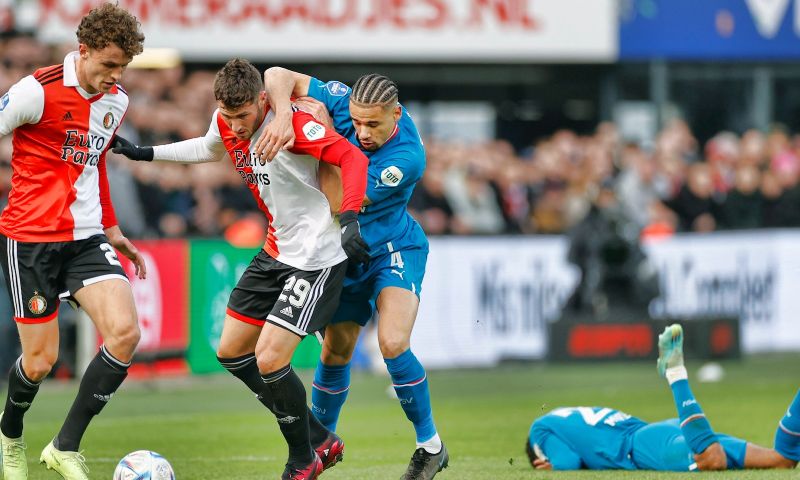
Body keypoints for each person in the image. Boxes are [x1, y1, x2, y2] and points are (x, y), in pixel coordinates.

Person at [111, 58, 369, 480]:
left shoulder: (294, 126)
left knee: (269, 359)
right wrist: (145, 153)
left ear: (263, 102)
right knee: (231, 351)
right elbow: (205, 147)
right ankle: (319, 436)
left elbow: (352, 159)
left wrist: (352, 217)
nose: (234, 126)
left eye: (243, 115)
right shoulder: (226, 122)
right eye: (228, 116)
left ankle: (303, 457)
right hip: (276, 250)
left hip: (317, 257)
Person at [254, 68, 448, 480]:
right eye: (356, 121)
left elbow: (339, 195)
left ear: (396, 114)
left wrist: (326, 135)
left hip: (393, 247)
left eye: (373, 124)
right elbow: (276, 74)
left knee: (393, 342)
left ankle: (430, 445)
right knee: (335, 352)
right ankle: (318, 449)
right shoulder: (347, 100)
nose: (362, 132)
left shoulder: (406, 158)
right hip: (343, 252)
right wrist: (286, 116)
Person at [0, 4, 147, 480]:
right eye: (108, 65)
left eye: (122, 67)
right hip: (31, 239)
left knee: (125, 333)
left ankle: (65, 446)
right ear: (82, 51)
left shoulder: (116, 101)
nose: (115, 76)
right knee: (40, 362)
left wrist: (112, 227)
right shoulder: (33, 92)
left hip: (85, 238)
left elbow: (96, 161)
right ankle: (10, 435)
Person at [526, 324, 800, 471]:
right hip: (660, 432)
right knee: (782, 460)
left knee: (710, 459)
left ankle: (675, 372)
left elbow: (568, 464)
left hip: (642, 447)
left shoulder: (539, 429)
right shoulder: (562, 415)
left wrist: (550, 468)